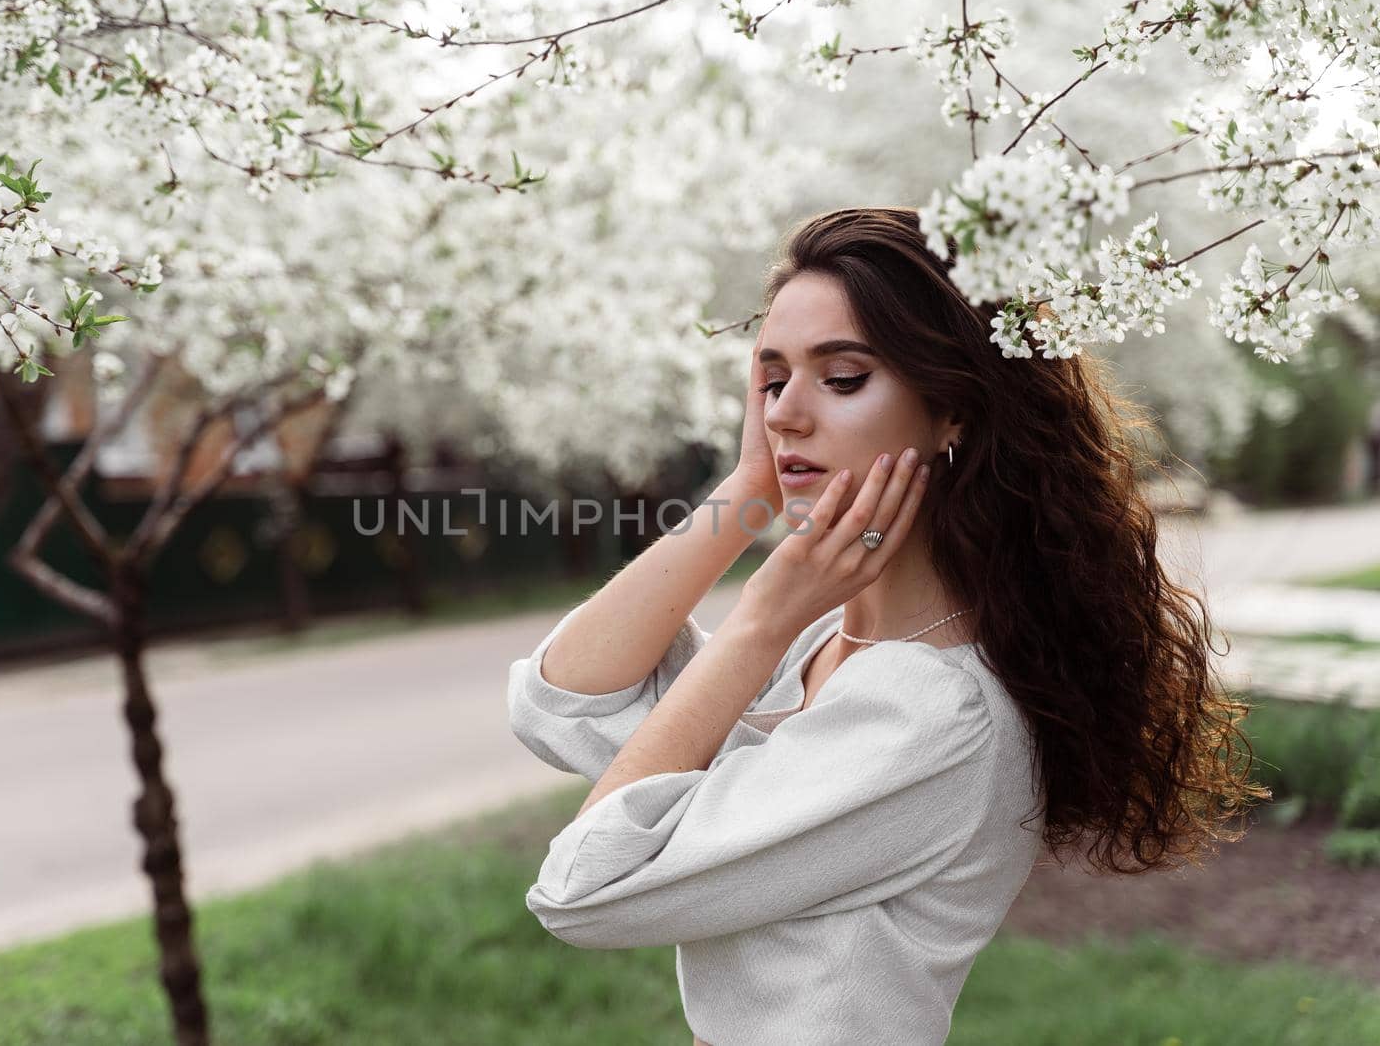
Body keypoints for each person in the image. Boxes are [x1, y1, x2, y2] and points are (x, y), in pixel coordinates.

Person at [506, 206, 1268, 1046]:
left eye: (841, 378)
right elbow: (561, 698)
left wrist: (759, 615)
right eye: (771, 380)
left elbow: (583, 885)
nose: (787, 412)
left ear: (953, 411)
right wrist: (751, 485)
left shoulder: (931, 709)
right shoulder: (825, 645)